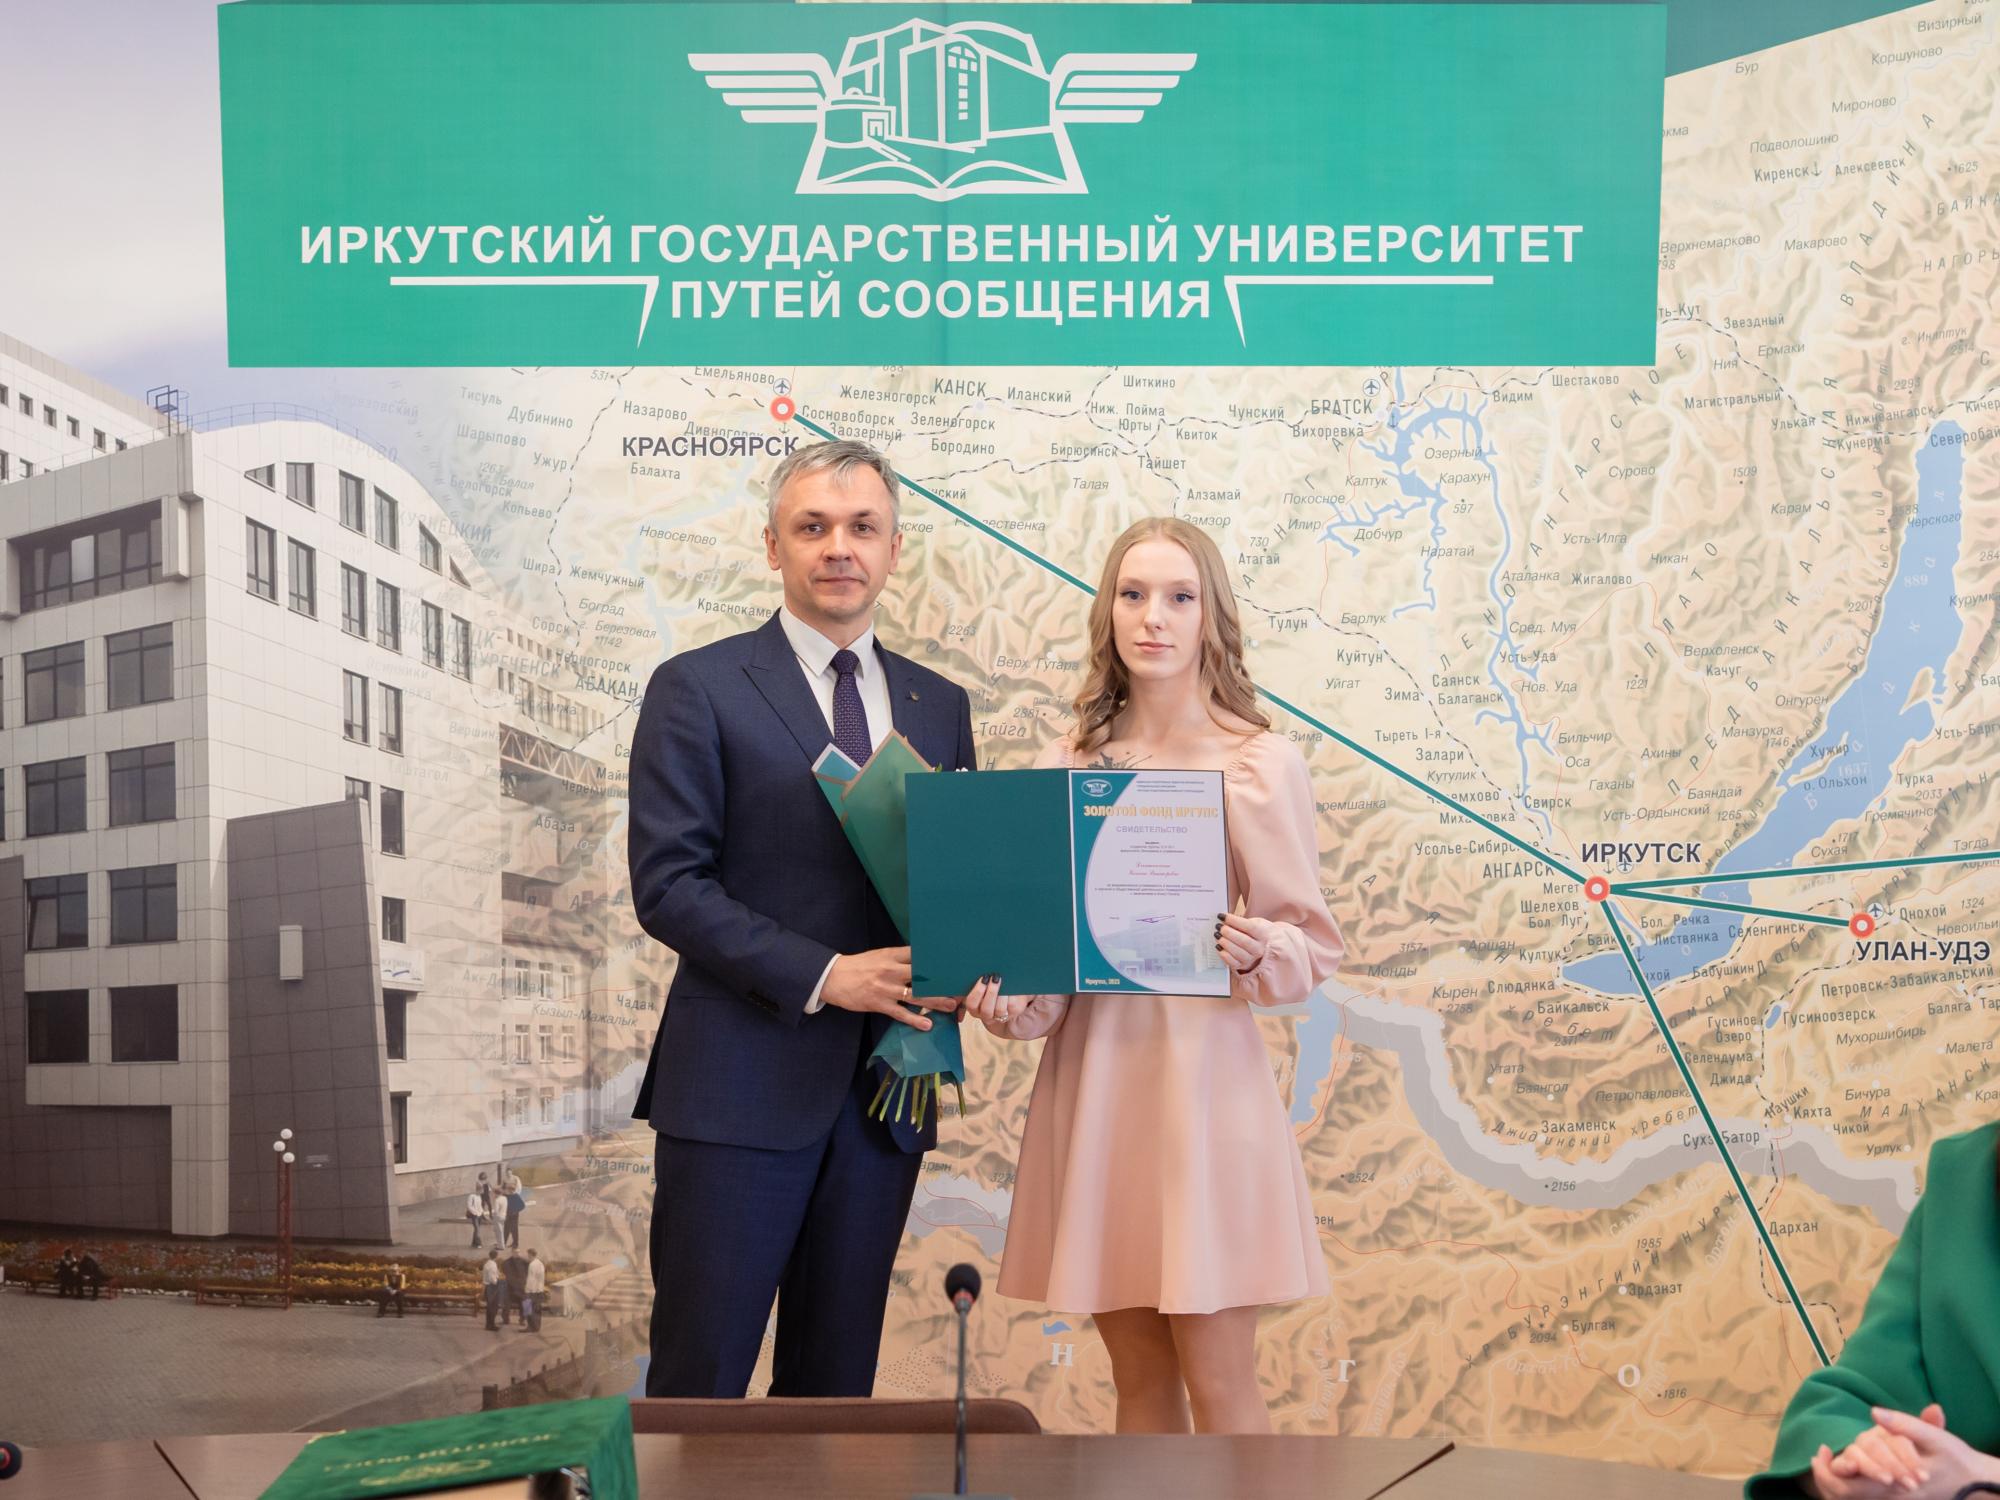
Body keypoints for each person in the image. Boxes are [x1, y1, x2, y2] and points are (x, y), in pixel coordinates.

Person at [965, 516, 1344, 1435]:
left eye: (1179, 596)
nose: (1154, 617)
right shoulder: (1069, 763)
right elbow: (1049, 972)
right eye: (1133, 595)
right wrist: (1006, 1000)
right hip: (1096, 1090)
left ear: (1212, 616)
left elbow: (1310, 947)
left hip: (1204, 1093)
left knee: (1222, 1387)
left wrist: (1258, 948)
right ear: (1108, 611)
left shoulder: (1258, 763)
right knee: (1136, 1386)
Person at [628, 437, 981, 1399]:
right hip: (737, 1095)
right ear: (772, 545)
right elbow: (669, 884)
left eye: (862, 527)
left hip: (885, 1101)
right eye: (812, 526)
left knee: (835, 1398)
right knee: (699, 1386)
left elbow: (953, 886)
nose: (838, 547)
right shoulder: (697, 687)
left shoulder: (940, 705)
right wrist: (830, 975)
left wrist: (978, 960)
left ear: (894, 549)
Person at [1745, 1119, 2000, 1498]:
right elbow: (1840, 1408)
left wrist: (1980, 1477)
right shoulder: (1964, 1181)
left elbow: (1963, 1477)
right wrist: (1867, 1461)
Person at [502, 1246, 530, 1331]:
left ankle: (523, 1319)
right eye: (515, 1252)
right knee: (506, 1303)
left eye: (518, 1252)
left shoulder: (525, 1262)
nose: (517, 1254)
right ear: (512, 1253)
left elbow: (527, 1273)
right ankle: (505, 1319)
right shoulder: (506, 1262)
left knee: (525, 1302)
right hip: (510, 1286)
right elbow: (506, 1273)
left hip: (521, 1286)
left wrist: (523, 1282)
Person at [523, 1248, 546, 1333]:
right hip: (539, 1290)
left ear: (530, 1254)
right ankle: (536, 1327)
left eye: (528, 1254)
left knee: (528, 1308)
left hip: (531, 1290)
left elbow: (531, 1279)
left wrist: (527, 1290)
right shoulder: (540, 1264)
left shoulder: (532, 1265)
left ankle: (530, 1327)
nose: (527, 1256)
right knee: (537, 1309)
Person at [482, 1248, 504, 1332]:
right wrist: (497, 1281)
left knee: (490, 1307)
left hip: (488, 1286)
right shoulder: (492, 1265)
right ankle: (491, 1325)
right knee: (493, 1307)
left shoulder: (488, 1263)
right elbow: (492, 1278)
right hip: (492, 1287)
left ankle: (489, 1324)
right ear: (496, 1256)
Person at [502, 1172, 526, 1250]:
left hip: (514, 1215)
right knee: (506, 1228)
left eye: (511, 1190)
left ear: (513, 1190)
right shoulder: (506, 1196)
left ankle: (515, 1243)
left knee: (514, 1229)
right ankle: (504, 1242)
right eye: (509, 1189)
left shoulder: (515, 1196)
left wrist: (515, 1211)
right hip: (507, 1214)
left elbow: (522, 1205)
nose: (510, 1191)